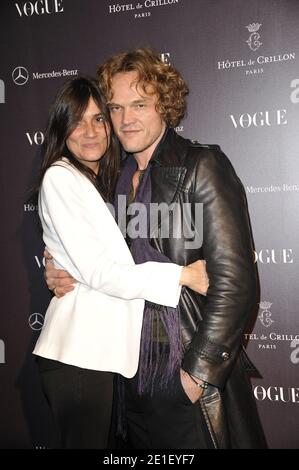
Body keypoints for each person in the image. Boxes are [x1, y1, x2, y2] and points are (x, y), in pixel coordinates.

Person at [45, 48, 267, 449]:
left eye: (140, 104)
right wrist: (59, 266)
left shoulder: (202, 166)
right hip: (121, 369)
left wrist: (195, 376)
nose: (126, 119)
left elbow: (235, 284)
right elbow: (99, 260)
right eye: (115, 108)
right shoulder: (110, 179)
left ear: (164, 105)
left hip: (181, 365)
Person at [33, 76, 209, 449]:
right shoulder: (61, 178)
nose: (90, 131)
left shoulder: (108, 181)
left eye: (99, 119)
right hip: (79, 355)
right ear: (61, 130)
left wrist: (55, 263)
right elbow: (100, 272)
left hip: (107, 355)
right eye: (76, 121)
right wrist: (182, 275)